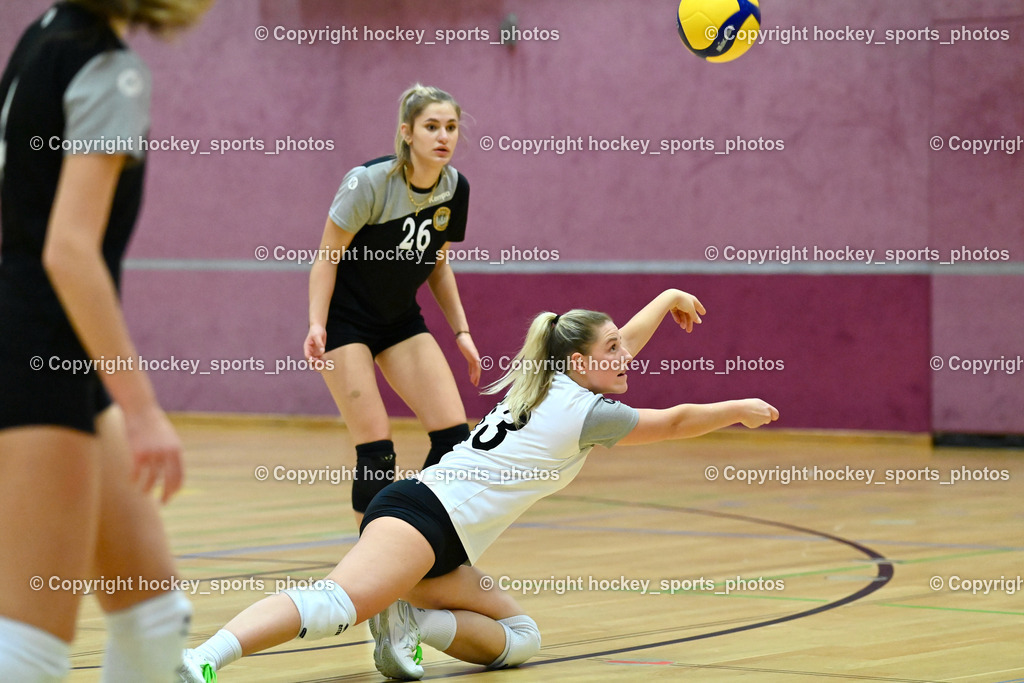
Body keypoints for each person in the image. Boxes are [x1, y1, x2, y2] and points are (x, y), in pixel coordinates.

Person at [179, 288, 779, 681]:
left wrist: (666, 298)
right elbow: (673, 421)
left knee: (519, 639)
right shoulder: (585, 413)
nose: (627, 356)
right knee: (336, 604)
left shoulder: (551, 383)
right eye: (613, 349)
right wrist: (738, 407)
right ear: (579, 362)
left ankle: (410, 621)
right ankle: (204, 659)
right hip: (424, 515)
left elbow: (616, 344)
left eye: (624, 344)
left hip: (445, 538)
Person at [0, 1, 211, 681]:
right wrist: (145, 410)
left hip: (54, 345)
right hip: (42, 346)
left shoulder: (43, 35)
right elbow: (68, 250)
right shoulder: (111, 70)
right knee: (28, 651)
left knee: (154, 619)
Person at [303, 84, 481, 524]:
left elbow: (438, 266)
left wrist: (462, 332)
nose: (443, 137)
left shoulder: (455, 188)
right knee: (377, 447)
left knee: (455, 439)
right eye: (431, 127)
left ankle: (417, 541)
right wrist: (316, 324)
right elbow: (326, 258)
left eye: (452, 127)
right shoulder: (368, 183)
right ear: (407, 133)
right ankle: (373, 560)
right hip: (346, 324)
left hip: (400, 319)